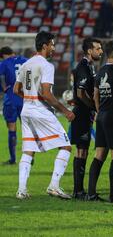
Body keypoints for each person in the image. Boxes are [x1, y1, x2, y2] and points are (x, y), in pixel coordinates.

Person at [13, 31, 75, 199]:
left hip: (26, 110)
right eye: (52, 44)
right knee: (66, 146)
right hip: (40, 110)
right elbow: (47, 94)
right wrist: (66, 111)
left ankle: (21, 190)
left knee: (28, 150)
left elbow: (16, 90)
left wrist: (30, 99)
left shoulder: (27, 64)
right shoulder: (46, 66)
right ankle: (54, 186)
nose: (54, 48)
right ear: (45, 45)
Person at [86, 40, 113, 202]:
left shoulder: (101, 71)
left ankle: (91, 192)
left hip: (102, 115)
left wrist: (99, 110)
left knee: (99, 154)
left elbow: (96, 94)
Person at [71, 38, 103, 199]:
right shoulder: (83, 67)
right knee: (81, 150)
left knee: (82, 150)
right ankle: (78, 191)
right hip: (82, 114)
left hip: (86, 114)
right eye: (98, 48)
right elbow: (80, 93)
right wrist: (95, 107)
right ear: (89, 51)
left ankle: (79, 190)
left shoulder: (89, 66)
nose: (101, 51)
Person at [0, 47, 27, 164]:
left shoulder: (4, 63)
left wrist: (4, 88)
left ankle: (13, 159)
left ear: (3, 55)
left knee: (12, 128)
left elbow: (1, 77)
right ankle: (29, 158)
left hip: (10, 97)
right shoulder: (26, 61)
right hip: (24, 97)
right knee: (26, 128)